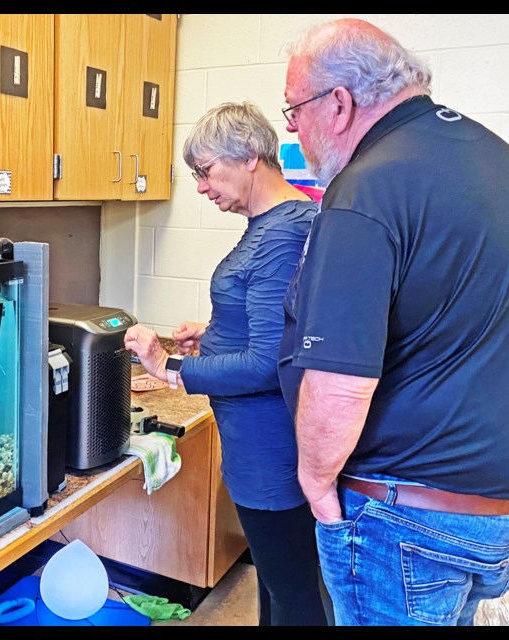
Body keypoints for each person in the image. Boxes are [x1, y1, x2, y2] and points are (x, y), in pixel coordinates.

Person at [278, 18, 509, 626]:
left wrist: (317, 488)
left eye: (294, 113)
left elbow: (339, 378)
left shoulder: (365, 189)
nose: (296, 132)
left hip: (408, 516)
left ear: (338, 104)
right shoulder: (496, 160)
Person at [124, 102, 327, 626]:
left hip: (269, 451)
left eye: (206, 170)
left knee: (293, 597)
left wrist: (168, 365)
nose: (200, 186)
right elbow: (271, 326)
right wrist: (210, 337)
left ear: (251, 157)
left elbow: (266, 363)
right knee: (281, 587)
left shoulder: (282, 234)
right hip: (259, 445)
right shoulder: (272, 223)